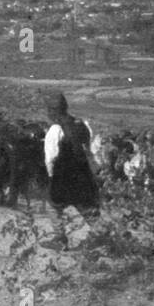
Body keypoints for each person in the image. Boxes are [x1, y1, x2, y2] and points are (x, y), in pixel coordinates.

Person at [41, 91, 99, 248]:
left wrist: (52, 177)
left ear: (52, 111)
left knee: (53, 205)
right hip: (83, 173)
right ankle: (104, 235)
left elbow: (50, 158)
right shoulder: (83, 125)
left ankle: (60, 239)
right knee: (85, 206)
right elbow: (92, 150)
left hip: (63, 174)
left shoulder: (55, 129)